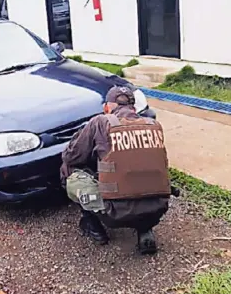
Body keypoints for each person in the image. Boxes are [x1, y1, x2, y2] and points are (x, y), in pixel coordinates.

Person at [60, 86, 175, 254]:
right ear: (134, 108)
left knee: (68, 169)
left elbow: (71, 156)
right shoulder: (154, 125)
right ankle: (145, 229)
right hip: (158, 208)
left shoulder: (100, 122)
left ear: (107, 107)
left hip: (114, 214)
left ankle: (94, 225)